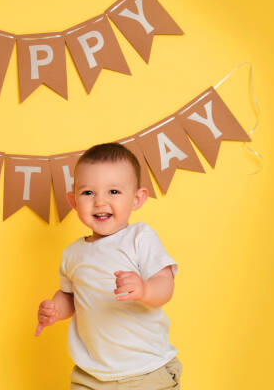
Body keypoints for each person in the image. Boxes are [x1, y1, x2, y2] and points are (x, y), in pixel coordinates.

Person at [35, 143, 182, 389]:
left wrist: (144, 288)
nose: (100, 202)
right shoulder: (73, 254)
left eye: (113, 191)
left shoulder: (140, 238)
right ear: (73, 200)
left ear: (137, 199)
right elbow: (71, 297)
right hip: (91, 374)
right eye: (88, 193)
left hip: (146, 370)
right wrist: (55, 309)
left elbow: (165, 285)